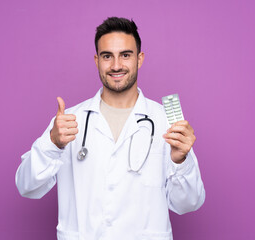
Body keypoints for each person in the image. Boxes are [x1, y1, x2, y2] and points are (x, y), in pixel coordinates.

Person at [15, 17, 205, 240]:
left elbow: (188, 203)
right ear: (97, 61)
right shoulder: (68, 122)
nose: (116, 65)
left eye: (125, 55)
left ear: (139, 59)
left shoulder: (165, 122)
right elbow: (26, 186)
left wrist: (180, 162)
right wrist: (52, 144)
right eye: (107, 56)